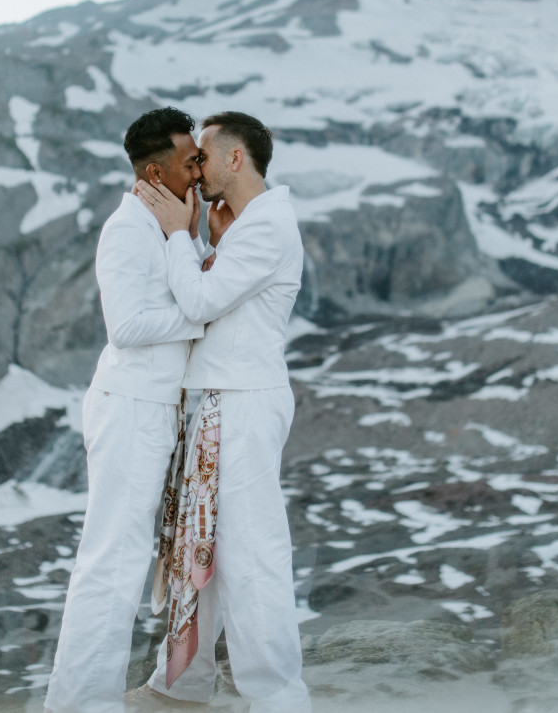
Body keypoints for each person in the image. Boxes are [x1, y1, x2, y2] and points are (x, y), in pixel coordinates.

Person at [133, 111, 312, 713]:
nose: (195, 167)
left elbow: (201, 301)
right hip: (222, 399)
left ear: (236, 158)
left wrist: (178, 236)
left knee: (251, 549)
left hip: (244, 401)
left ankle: (279, 696)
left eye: (204, 156)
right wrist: (210, 243)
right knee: (201, 541)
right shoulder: (245, 227)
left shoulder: (268, 226)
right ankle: (182, 683)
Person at [44, 107, 215, 713]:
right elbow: (126, 327)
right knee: (111, 561)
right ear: (154, 171)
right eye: (190, 161)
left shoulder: (169, 225)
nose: (200, 171)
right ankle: (82, 704)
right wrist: (201, 315)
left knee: (122, 557)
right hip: (130, 409)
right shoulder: (126, 230)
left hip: (153, 409)